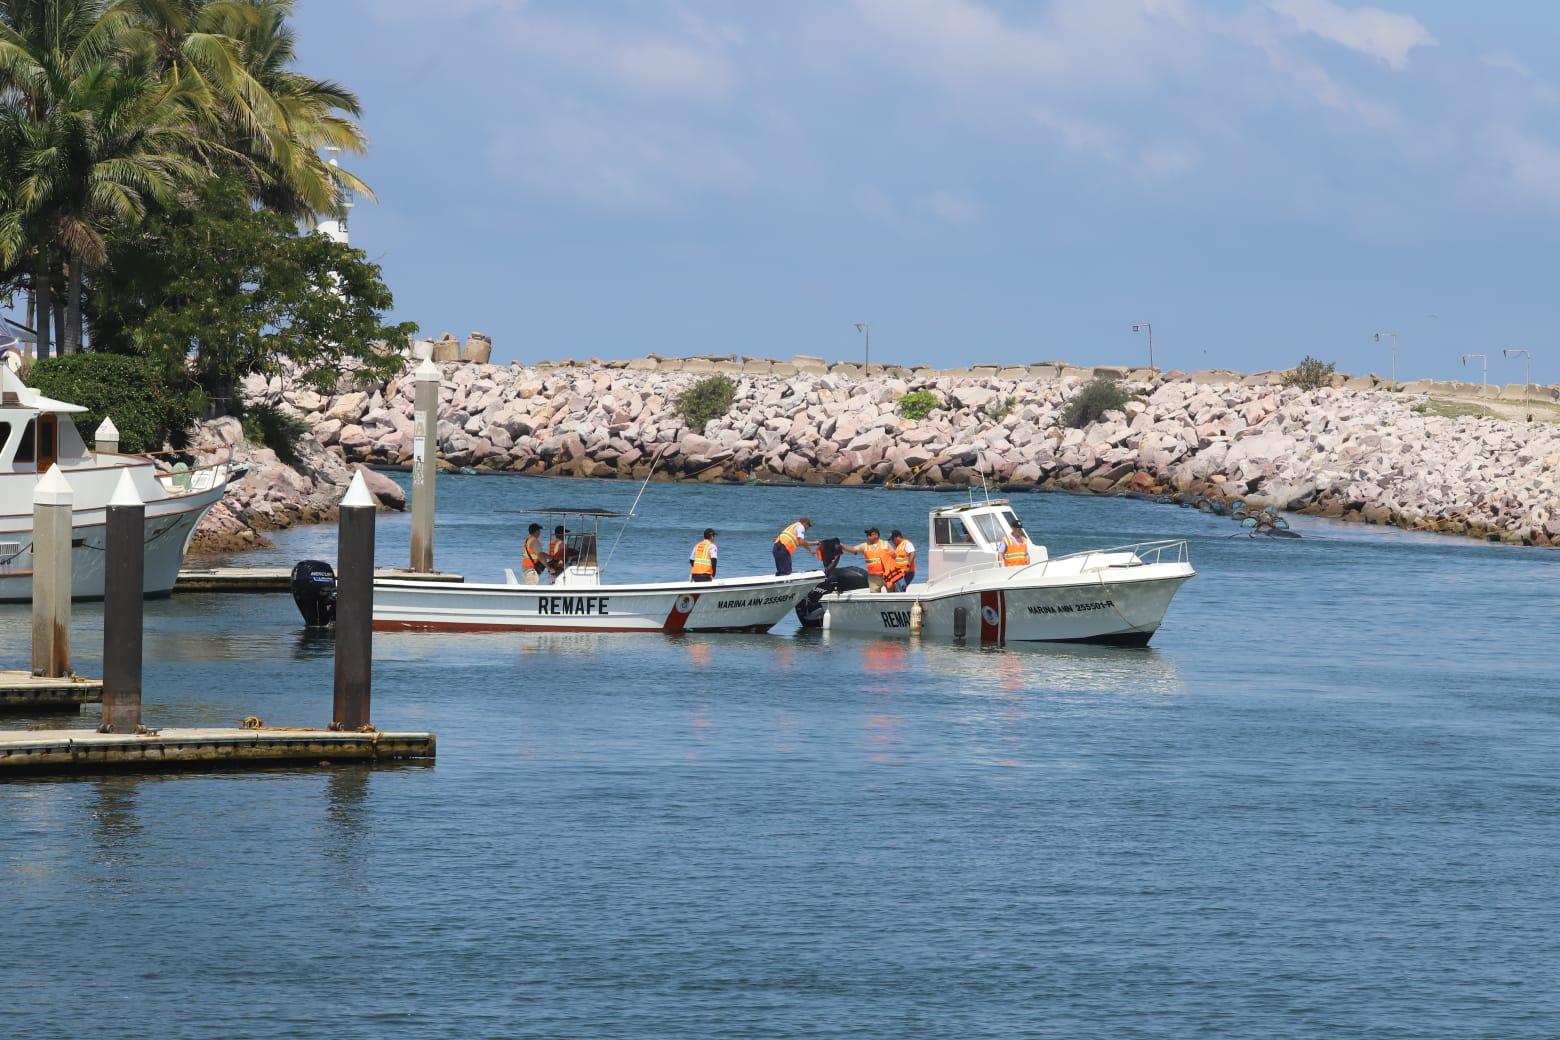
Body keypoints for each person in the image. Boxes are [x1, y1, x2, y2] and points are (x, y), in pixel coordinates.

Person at [842, 527, 894, 592]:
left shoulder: (886, 544)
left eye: (869, 535)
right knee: (874, 596)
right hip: (873, 577)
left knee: (891, 593)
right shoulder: (865, 545)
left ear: (876, 535)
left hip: (887, 575)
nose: (868, 537)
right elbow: (853, 549)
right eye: (867, 535)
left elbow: (894, 556)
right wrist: (843, 547)